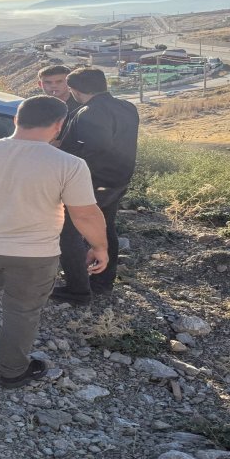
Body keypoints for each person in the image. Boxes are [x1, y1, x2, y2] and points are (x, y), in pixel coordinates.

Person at [0, 96, 109, 388]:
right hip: (34, 254)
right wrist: (100, 247)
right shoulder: (69, 164)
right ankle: (13, 371)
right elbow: (86, 215)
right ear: (59, 125)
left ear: (16, 119)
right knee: (22, 309)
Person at [53, 68, 140, 305]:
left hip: (92, 183)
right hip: (118, 179)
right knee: (105, 227)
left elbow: (96, 147)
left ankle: (77, 290)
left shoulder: (89, 111)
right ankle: (103, 282)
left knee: (68, 232)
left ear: (76, 91)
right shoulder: (127, 107)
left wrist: (63, 161)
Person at [37, 64, 79, 144]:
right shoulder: (33, 107)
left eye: (59, 81)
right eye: (48, 82)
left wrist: (63, 144)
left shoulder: (81, 106)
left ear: (69, 83)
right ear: (40, 84)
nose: (53, 86)